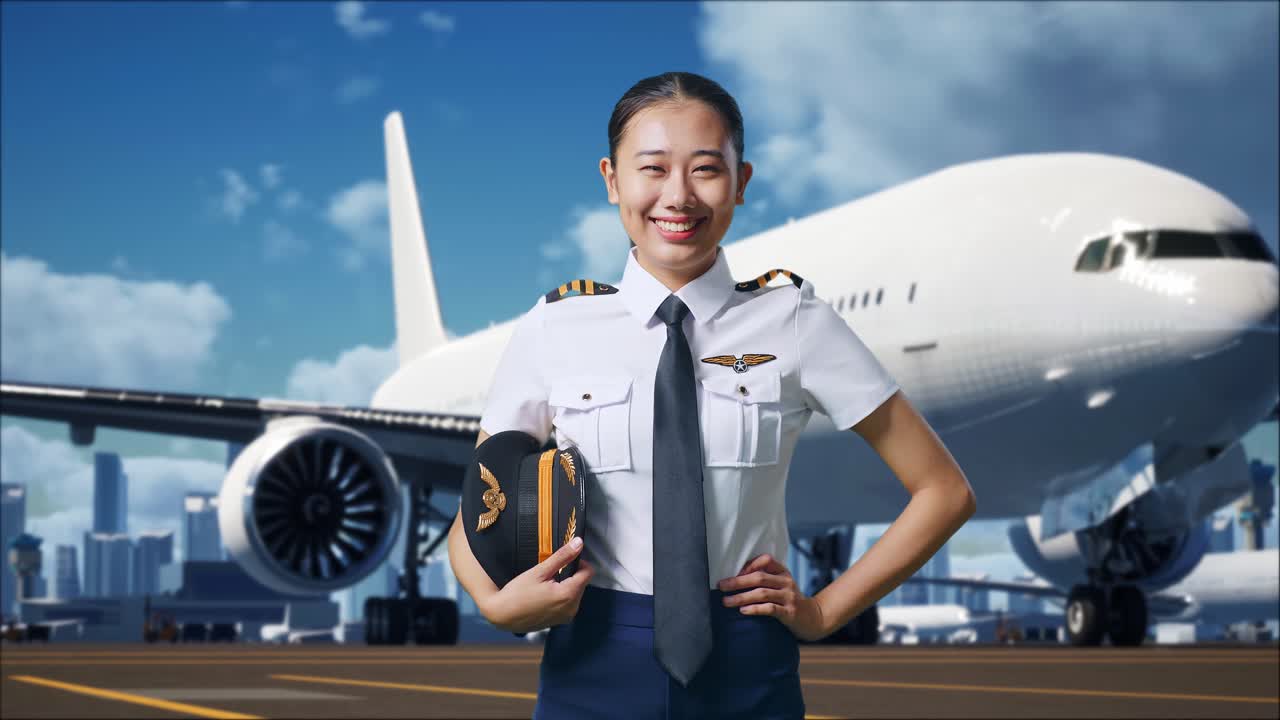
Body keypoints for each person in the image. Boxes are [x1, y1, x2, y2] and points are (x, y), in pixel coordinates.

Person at [447, 71, 977, 719]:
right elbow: (479, 507)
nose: (678, 196)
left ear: (742, 182)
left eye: (705, 169)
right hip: (591, 658)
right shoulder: (554, 328)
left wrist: (823, 611)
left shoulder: (796, 321)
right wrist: (496, 605)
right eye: (652, 169)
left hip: (748, 659)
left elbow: (944, 491)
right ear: (613, 180)